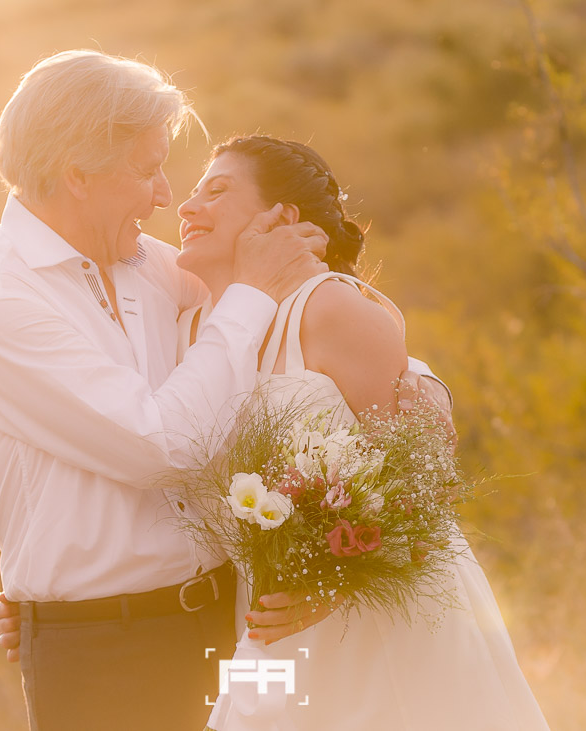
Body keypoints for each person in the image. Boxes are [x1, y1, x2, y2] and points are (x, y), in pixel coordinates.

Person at [0, 51, 447, 731]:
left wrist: (420, 389)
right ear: (77, 173)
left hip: (232, 622)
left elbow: (303, 321)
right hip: (106, 651)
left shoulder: (143, 263)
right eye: (148, 169)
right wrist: (48, 603)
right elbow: (161, 444)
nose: (163, 196)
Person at [173, 135, 551, 730]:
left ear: (282, 218)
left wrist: (337, 583)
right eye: (192, 193)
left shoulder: (329, 309)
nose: (187, 207)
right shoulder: (188, 329)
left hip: (381, 618)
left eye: (216, 191)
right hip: (265, 620)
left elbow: (423, 484)